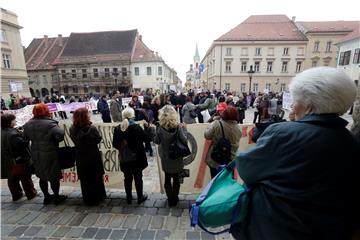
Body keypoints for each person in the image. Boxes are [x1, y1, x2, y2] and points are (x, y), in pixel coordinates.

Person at [231, 67, 360, 240]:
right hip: (329, 230)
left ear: (308, 106)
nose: (292, 105)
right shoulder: (352, 141)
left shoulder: (282, 133)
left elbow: (247, 169)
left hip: (276, 228)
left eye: (295, 100)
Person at [23, 104, 67, 205]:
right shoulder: (50, 124)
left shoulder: (28, 124)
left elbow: (25, 138)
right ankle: (56, 196)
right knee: (53, 176)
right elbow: (60, 135)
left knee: (41, 176)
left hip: (35, 153)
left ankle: (46, 197)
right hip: (49, 153)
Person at [70, 108, 106, 205]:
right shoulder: (92, 128)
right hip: (93, 155)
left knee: (85, 179)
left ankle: (88, 198)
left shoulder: (72, 128)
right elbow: (98, 139)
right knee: (96, 177)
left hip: (81, 156)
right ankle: (99, 196)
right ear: (85, 116)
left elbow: (74, 140)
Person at [112, 107, 148, 205]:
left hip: (125, 158)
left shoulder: (118, 129)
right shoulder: (137, 128)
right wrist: (148, 127)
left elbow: (115, 144)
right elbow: (147, 139)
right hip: (137, 158)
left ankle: (129, 197)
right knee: (138, 177)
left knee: (127, 177)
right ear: (133, 116)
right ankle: (140, 197)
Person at [154, 105, 187, 206]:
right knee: (176, 179)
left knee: (167, 178)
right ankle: (175, 198)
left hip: (166, 157)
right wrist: (185, 129)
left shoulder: (159, 127)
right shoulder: (178, 127)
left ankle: (170, 199)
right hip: (177, 157)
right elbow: (185, 140)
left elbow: (156, 141)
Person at [1, 113, 37, 201]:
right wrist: (26, 136)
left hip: (7, 159)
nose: (15, 121)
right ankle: (31, 193)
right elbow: (22, 144)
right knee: (25, 177)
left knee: (12, 178)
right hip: (19, 159)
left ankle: (16, 195)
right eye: (14, 120)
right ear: (9, 122)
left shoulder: (3, 131)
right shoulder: (12, 134)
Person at [204, 106, 242, 178]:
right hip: (230, 160)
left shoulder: (217, 124)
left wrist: (211, 124)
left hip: (216, 159)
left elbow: (207, 135)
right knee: (227, 183)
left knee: (214, 182)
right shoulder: (238, 128)